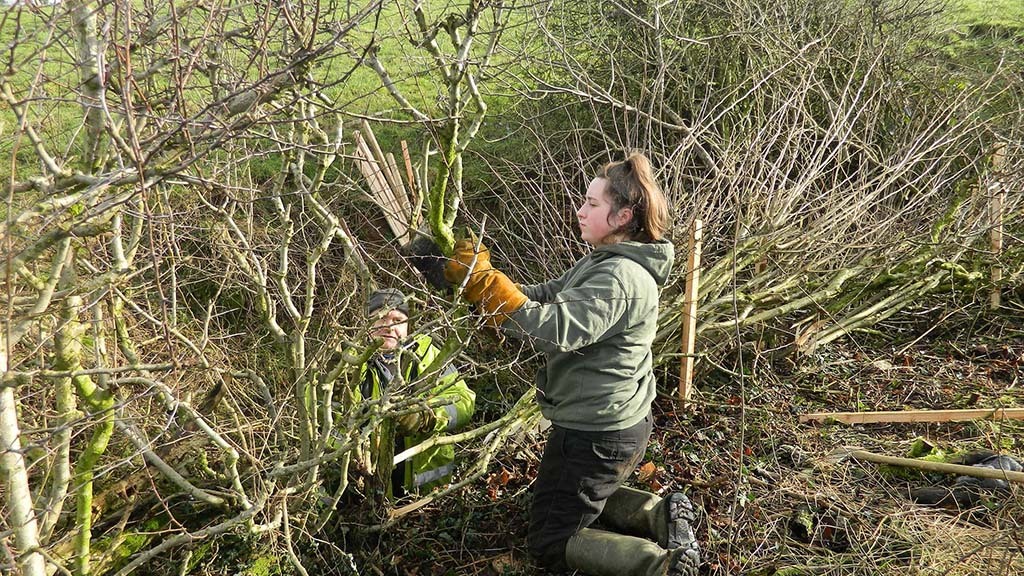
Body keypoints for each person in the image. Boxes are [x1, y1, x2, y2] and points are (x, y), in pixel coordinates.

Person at [444, 153, 701, 576]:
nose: (580, 211)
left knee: (551, 540)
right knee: (571, 493)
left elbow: (552, 329)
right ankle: (660, 516)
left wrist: (487, 286)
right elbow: (547, 295)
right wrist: (480, 283)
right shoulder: (605, 260)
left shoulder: (619, 277)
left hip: (598, 431)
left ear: (622, 216)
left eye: (592, 205)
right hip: (608, 422)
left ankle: (660, 566)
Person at [352, 288, 476, 496]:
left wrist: (427, 417)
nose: (389, 326)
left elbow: (464, 402)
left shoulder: (430, 356)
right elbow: (324, 415)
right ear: (367, 324)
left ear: (408, 326)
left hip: (427, 497)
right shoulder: (350, 363)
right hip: (365, 494)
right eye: (381, 317)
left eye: (398, 319)